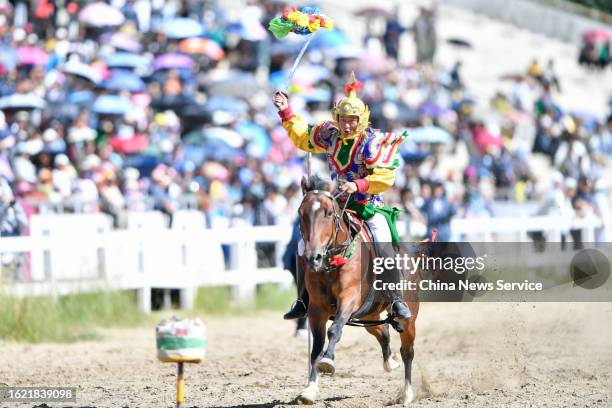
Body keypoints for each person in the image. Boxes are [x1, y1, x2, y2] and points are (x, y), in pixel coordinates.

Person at [272, 72, 411, 321]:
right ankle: (303, 299)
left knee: (382, 241)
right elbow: (303, 137)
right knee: (305, 244)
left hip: (367, 205)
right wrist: (286, 112)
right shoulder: (330, 135)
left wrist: (356, 185)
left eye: (352, 120)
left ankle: (396, 298)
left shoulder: (371, 142)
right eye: (343, 119)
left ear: (361, 120)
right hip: (336, 205)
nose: (347, 124)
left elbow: (384, 178)